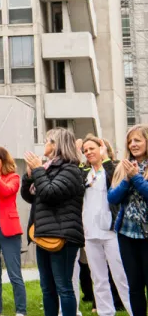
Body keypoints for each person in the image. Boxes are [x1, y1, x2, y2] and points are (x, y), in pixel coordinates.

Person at [22, 128, 84, 316]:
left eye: (48, 140)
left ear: (57, 145)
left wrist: (39, 170)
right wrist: (29, 176)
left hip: (63, 236)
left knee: (63, 286)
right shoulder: (48, 168)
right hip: (44, 233)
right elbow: (30, 196)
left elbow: (50, 193)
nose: (44, 144)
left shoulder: (71, 169)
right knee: (47, 287)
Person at [80, 135, 132, 316]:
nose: (88, 152)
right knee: (99, 278)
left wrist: (105, 158)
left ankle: (133, 310)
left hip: (110, 232)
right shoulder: (85, 173)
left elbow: (114, 181)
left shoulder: (112, 168)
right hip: (90, 232)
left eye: (92, 148)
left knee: (121, 276)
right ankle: (105, 312)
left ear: (101, 148)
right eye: (85, 150)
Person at [109, 125, 148, 316]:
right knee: (134, 286)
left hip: (147, 236)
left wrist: (136, 178)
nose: (133, 144)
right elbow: (112, 198)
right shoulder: (122, 167)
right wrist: (126, 180)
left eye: (138, 140)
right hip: (126, 234)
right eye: (130, 141)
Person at [0, 146, 27, 316]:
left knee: (14, 274)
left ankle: (21, 311)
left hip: (9, 230)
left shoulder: (14, 177)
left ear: (3, 160)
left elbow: (6, 191)